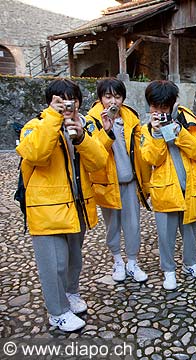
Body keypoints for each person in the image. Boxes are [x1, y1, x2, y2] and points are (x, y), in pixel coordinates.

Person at [16, 79, 107, 331]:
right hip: (46, 210)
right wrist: (54, 120)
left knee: (73, 260)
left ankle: (70, 293)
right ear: (50, 102)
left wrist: (81, 139)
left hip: (77, 206)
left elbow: (99, 162)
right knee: (53, 264)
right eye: (60, 100)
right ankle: (57, 312)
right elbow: (35, 154)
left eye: (72, 100)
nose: (67, 105)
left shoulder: (82, 126)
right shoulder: (34, 126)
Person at [140, 80, 196, 290]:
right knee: (166, 236)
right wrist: (157, 134)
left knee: (190, 232)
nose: (159, 112)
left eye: (164, 107)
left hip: (190, 188)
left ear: (172, 105)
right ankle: (169, 271)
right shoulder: (146, 130)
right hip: (165, 191)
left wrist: (179, 133)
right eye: (155, 107)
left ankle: (191, 263)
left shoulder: (189, 122)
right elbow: (153, 159)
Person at [85, 78, 151, 283]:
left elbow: (140, 152)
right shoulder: (91, 120)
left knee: (133, 225)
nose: (112, 101)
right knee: (112, 226)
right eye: (108, 96)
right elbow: (92, 153)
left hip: (130, 181)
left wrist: (145, 183)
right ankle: (117, 260)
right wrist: (107, 130)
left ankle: (132, 262)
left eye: (117, 96)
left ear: (123, 98)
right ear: (100, 98)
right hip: (107, 183)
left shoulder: (131, 117)